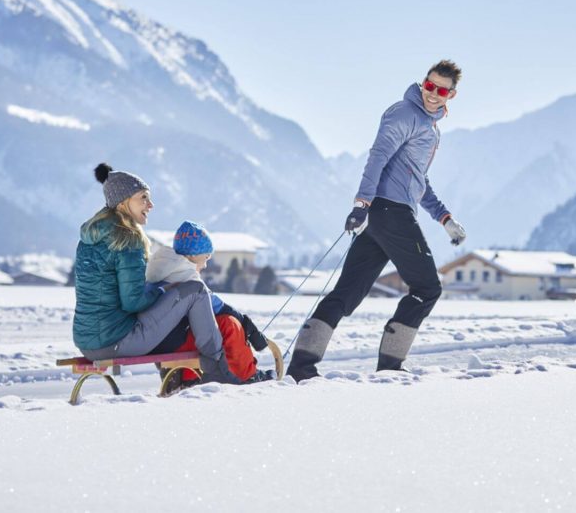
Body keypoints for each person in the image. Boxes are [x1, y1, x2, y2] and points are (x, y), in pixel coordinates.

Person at [287, 60, 467, 380]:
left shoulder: (429, 127)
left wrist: (444, 218)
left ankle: (301, 368)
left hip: (386, 216)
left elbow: (418, 181)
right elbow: (378, 157)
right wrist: (362, 202)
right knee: (427, 289)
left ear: (451, 95)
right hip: (390, 213)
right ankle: (391, 367)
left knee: (346, 294)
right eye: (429, 86)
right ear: (422, 83)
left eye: (441, 90)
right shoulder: (405, 113)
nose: (432, 94)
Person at [72, 163, 242, 384]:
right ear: (123, 202)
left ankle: (187, 374)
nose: (150, 204)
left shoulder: (89, 238)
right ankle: (217, 369)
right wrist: (163, 289)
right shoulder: (127, 238)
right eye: (143, 197)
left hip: (86, 342)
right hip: (116, 342)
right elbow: (133, 303)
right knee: (195, 290)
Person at [145, 220, 275, 388]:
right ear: (192, 255)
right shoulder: (184, 274)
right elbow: (215, 305)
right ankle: (247, 375)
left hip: (159, 340)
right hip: (173, 341)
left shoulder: (161, 267)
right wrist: (246, 324)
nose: (206, 265)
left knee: (203, 328)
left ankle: (189, 377)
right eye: (206, 257)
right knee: (228, 323)